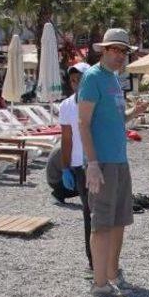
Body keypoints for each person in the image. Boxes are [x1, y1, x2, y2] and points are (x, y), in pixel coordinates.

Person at [78, 28, 147, 297]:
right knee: (103, 222)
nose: (120, 56)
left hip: (119, 160)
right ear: (104, 50)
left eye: (123, 51)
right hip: (103, 162)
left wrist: (133, 112)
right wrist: (92, 163)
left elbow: (115, 120)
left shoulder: (115, 80)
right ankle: (99, 283)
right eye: (115, 50)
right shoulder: (93, 77)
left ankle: (112, 273)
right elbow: (83, 123)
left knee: (119, 221)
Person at [59, 61, 92, 270]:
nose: (75, 84)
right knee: (89, 213)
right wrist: (65, 167)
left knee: (106, 213)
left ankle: (107, 257)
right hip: (81, 167)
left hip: (102, 162)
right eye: (72, 80)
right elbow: (66, 139)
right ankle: (93, 261)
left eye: (79, 79)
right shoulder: (67, 105)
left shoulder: (99, 102)